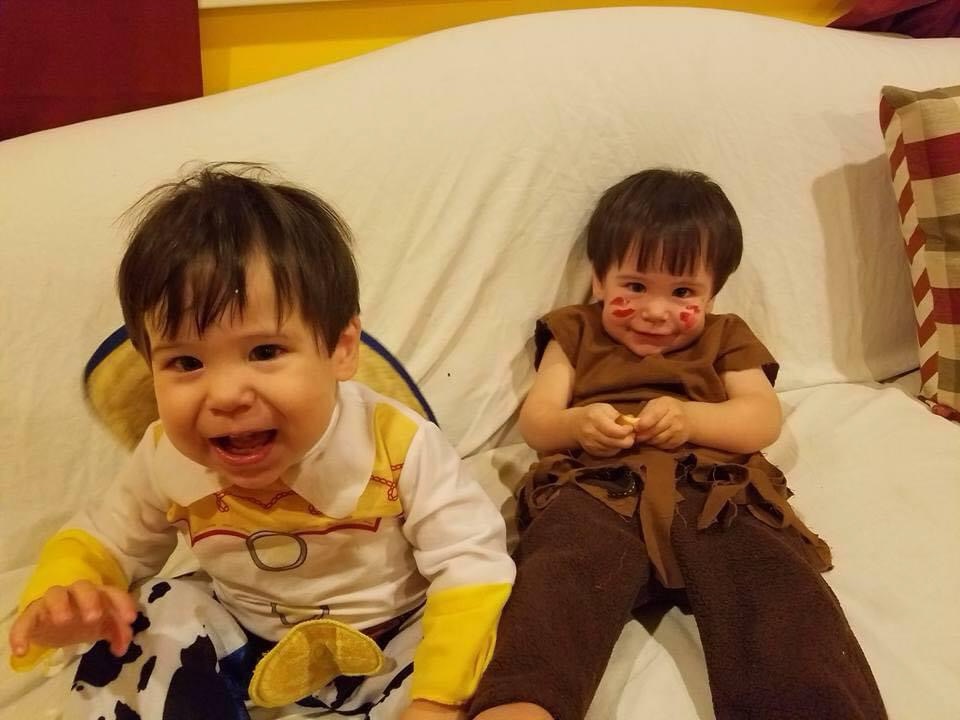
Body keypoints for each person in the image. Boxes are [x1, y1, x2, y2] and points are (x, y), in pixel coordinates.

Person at [8, 164, 515, 720]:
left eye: (265, 352)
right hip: (246, 640)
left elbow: (471, 564)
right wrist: (70, 592)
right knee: (157, 610)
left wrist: (438, 699)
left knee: (483, 635)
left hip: (393, 640)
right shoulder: (165, 457)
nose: (226, 395)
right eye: (186, 362)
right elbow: (107, 538)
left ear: (341, 349)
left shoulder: (398, 444)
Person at [467, 169, 887, 720]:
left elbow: (761, 418)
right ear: (599, 280)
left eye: (683, 292)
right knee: (558, 574)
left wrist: (692, 418)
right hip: (596, 485)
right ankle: (519, 707)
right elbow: (538, 422)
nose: (656, 311)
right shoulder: (573, 332)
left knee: (773, 583)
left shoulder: (725, 335)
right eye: (635, 286)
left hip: (713, 488)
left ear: (712, 295)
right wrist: (579, 424)